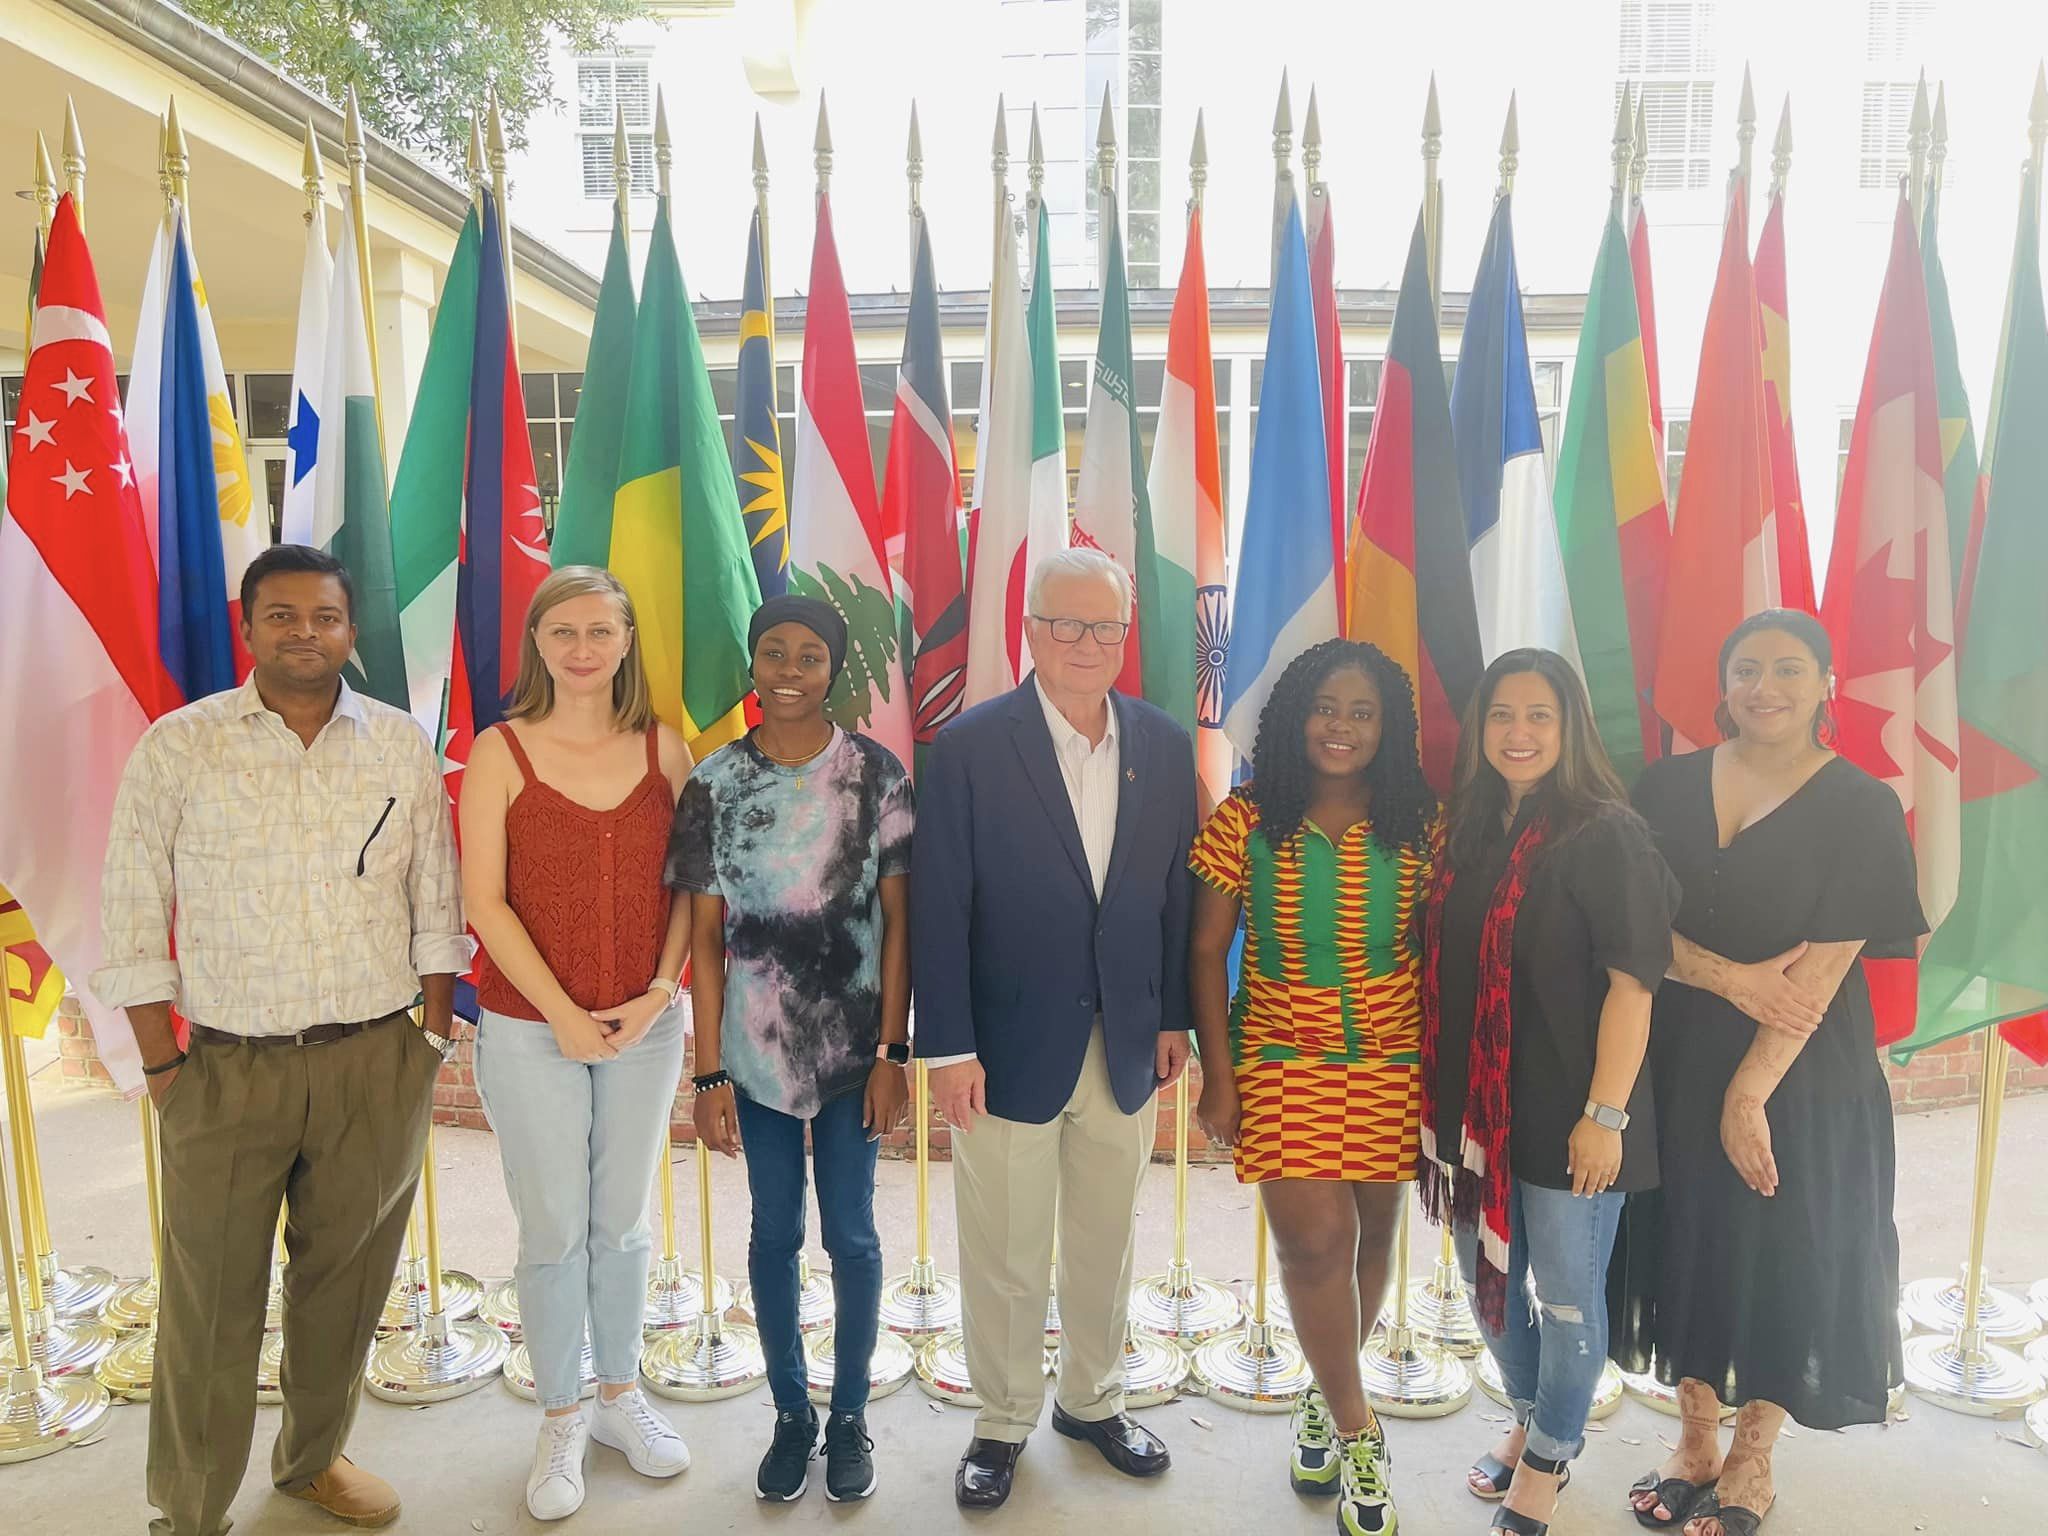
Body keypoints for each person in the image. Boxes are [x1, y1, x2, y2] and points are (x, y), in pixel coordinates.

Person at [94, 545, 471, 1536]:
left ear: (351, 630)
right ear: (249, 628)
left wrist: (427, 1042)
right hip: (223, 1070)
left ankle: (310, 1461)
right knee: (208, 1308)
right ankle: (190, 1506)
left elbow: (437, 898)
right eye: (282, 616)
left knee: (342, 1289)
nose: (304, 633)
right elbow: (133, 918)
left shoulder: (398, 745)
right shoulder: (178, 746)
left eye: (324, 616)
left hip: (373, 1063)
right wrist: (166, 1067)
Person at [1615, 610, 1923, 1536]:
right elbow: (1628, 923)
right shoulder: (1663, 787)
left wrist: (1748, 1093)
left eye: (1791, 668)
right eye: (1746, 667)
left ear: (1827, 684)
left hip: (1802, 1065)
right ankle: (1695, 1441)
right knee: (1691, 1237)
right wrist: (1725, 976)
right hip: (1671, 1052)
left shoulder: (1862, 804)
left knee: (1784, 1245)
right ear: (1722, 684)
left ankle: (1754, 1457)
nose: (1766, 686)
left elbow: (1823, 970)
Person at [912, 548, 1197, 1512]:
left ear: (1126, 637)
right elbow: (941, 910)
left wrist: (1177, 1022)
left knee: (1105, 1234)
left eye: (1104, 628)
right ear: (1029, 631)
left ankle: (1092, 1399)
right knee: (1003, 1243)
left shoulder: (1161, 746)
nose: (1085, 643)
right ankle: (1001, 1420)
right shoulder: (966, 749)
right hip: (1000, 1051)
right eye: (1064, 624)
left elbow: (1176, 900)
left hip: (1127, 1042)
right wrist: (946, 1048)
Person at [1419, 648, 1678, 1536]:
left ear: (1569, 729)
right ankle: (1533, 1416)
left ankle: (1548, 1455)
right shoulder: (1470, 825)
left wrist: (1605, 1117)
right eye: (1501, 715)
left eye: (1539, 716)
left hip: (1576, 1115)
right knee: (1485, 1281)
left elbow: (1633, 985)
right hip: (1476, 1118)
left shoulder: (1606, 833)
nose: (1518, 733)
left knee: (1567, 1299)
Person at [458, 566, 694, 1521]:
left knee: (623, 1221)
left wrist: (658, 992)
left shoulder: (664, 751)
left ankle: (618, 1398)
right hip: (528, 1026)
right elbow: (485, 899)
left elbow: (690, 889)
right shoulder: (499, 751)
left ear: (628, 642)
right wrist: (557, 1009)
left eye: (601, 631)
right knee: (554, 1226)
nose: (584, 648)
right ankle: (560, 1412)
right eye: (564, 632)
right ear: (539, 645)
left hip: (645, 1024)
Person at [666, 593, 913, 1505]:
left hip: (854, 1056)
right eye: (774, 652)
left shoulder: (876, 777)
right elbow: (703, 940)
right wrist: (709, 1071)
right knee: (775, 1234)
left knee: (852, 1232)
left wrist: (893, 1052)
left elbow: (897, 927)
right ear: (754, 663)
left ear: (833, 668)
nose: (790, 671)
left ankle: (849, 1415)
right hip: (755, 1056)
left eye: (810, 656)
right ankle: (790, 1413)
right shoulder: (715, 785)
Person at [1190, 639, 1438, 1536]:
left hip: (1392, 1061)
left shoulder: (1421, 820)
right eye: (1326, 708)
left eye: (1362, 712)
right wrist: (1218, 1077)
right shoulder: (1247, 818)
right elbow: (1206, 951)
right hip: (1279, 1055)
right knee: (1315, 1246)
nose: (1341, 726)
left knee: (1374, 1235)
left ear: (1389, 728)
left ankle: (1324, 1402)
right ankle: (1359, 1431)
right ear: (1297, 716)